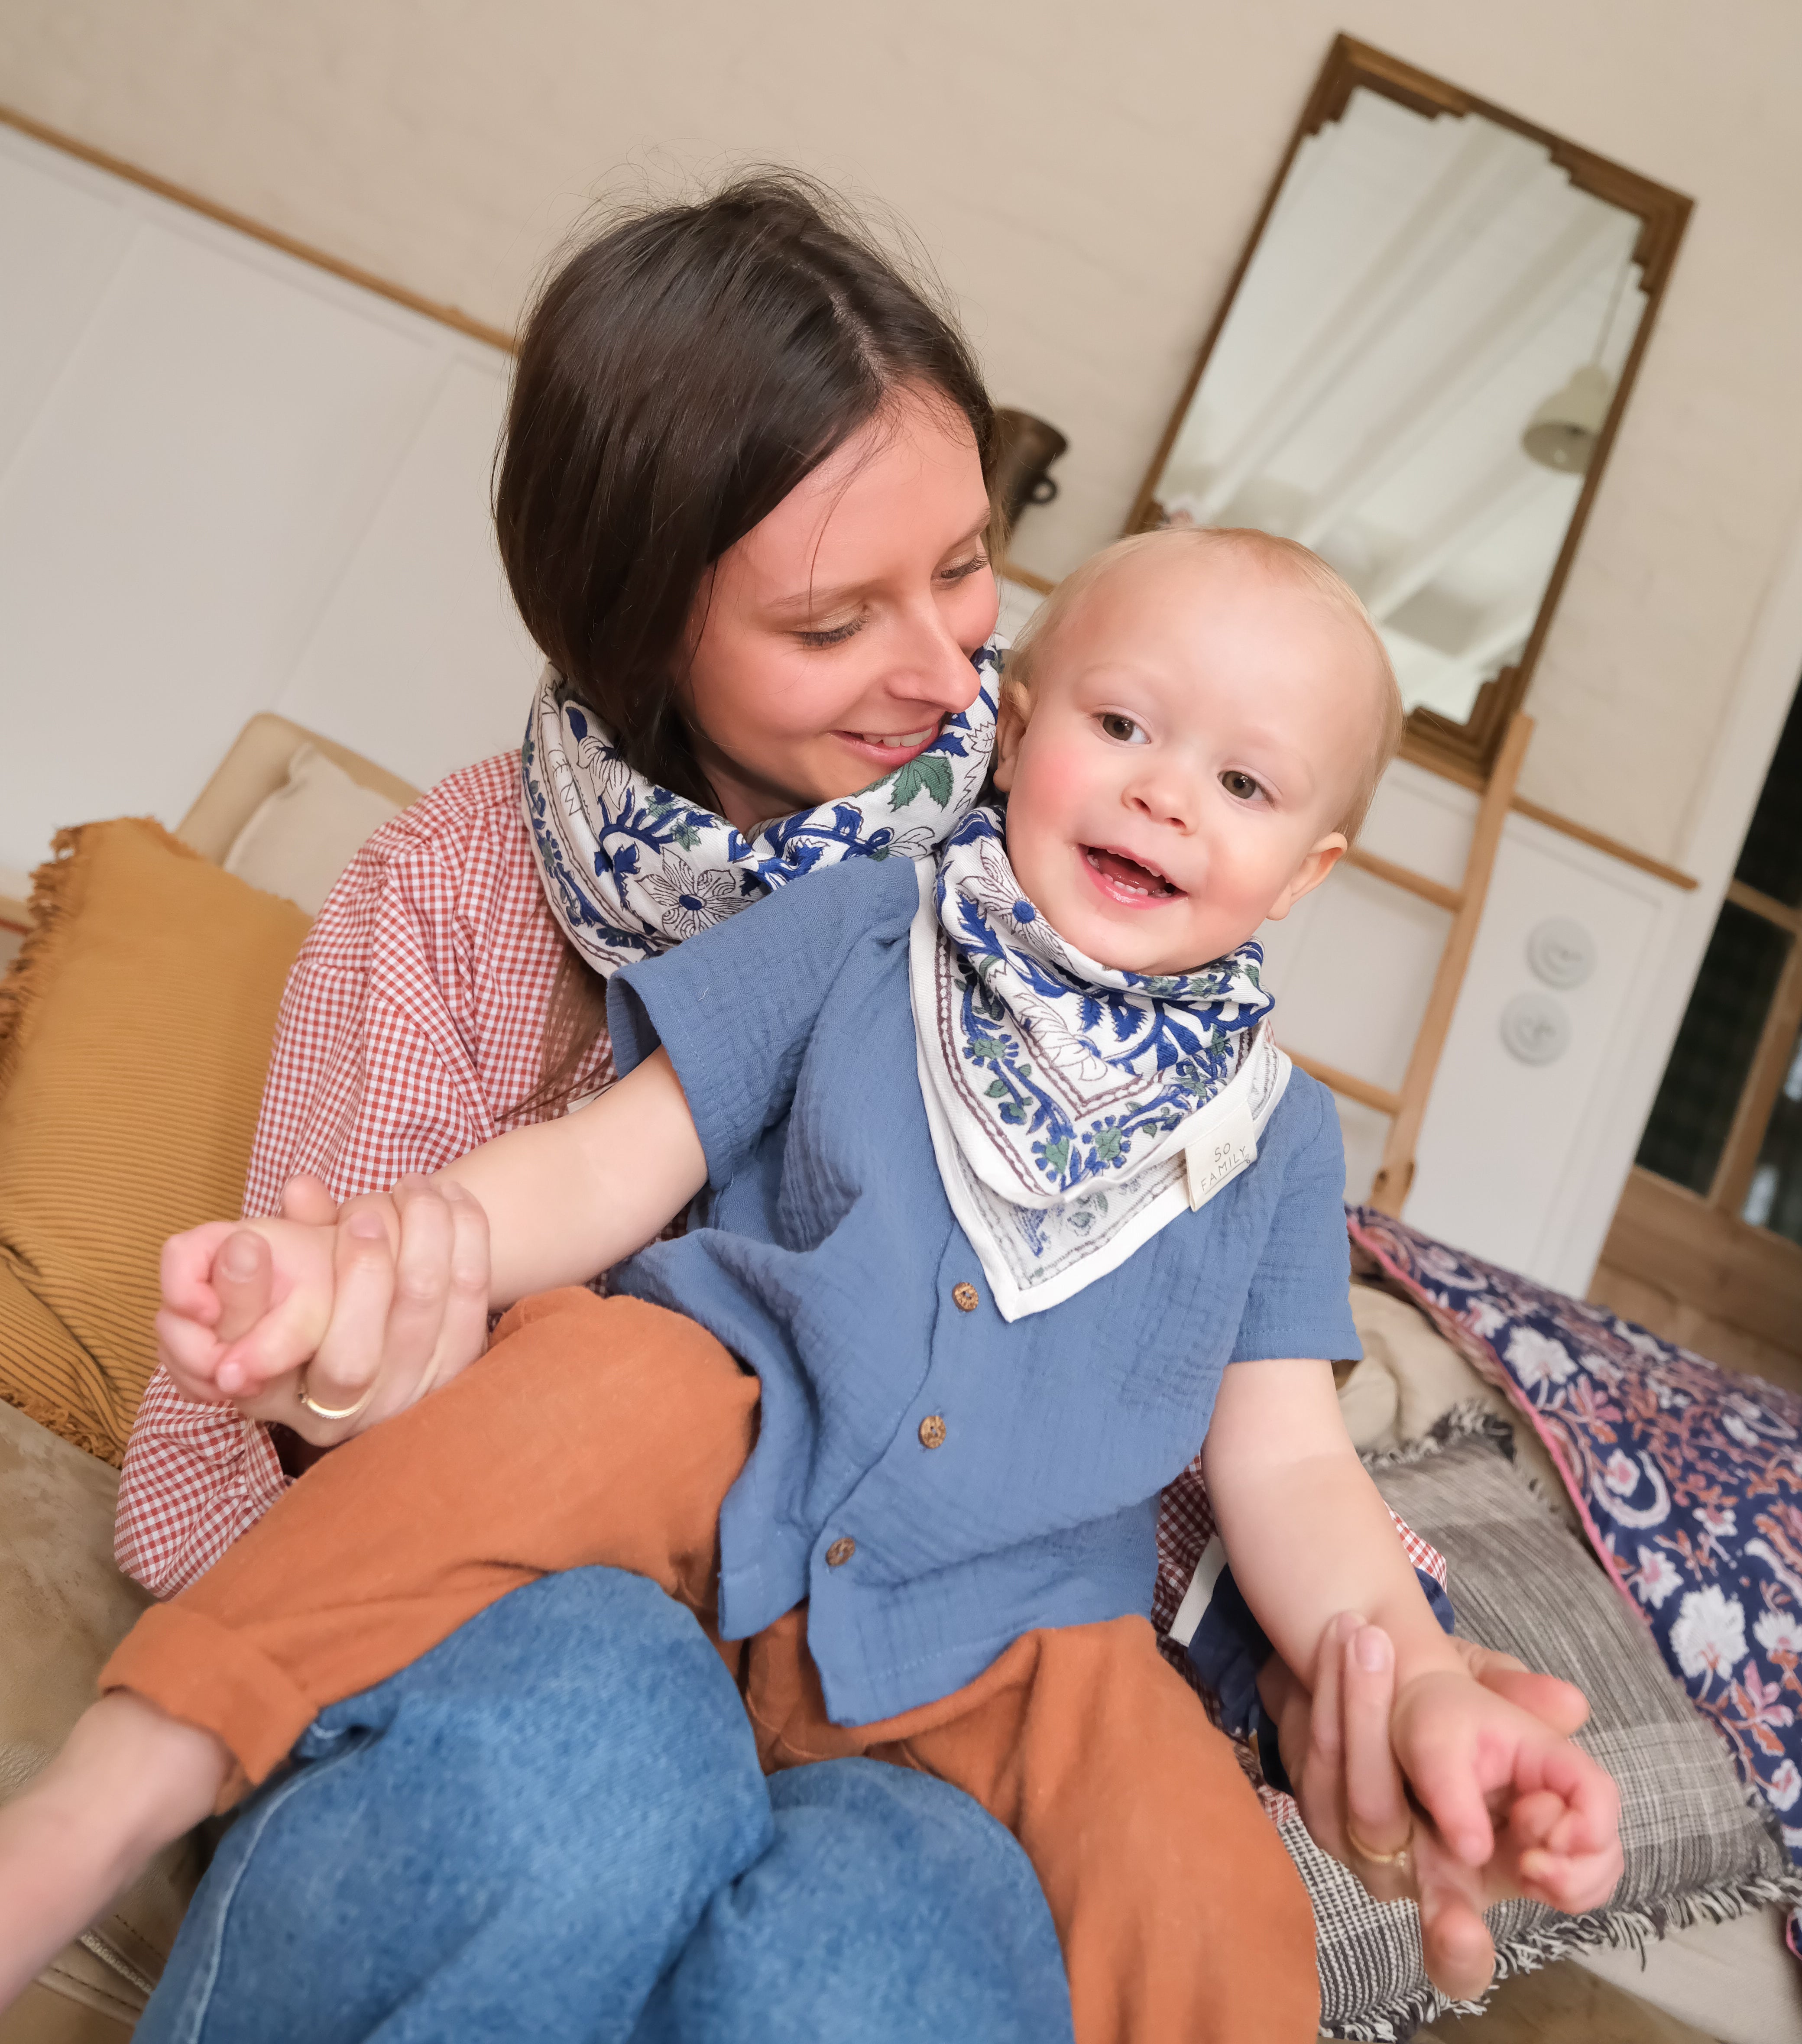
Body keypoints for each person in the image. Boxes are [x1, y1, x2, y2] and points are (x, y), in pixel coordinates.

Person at [6, 530, 1625, 2044]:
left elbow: (1290, 1463)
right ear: (1017, 728)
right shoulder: (871, 923)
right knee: (579, 1391)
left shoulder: (1276, 1139)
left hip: (1023, 1635)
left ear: (1307, 873)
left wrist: (1411, 1680)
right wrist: (370, 1253)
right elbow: (608, 1165)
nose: (1167, 796)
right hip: (720, 1447)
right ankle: (122, 1786)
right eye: (1124, 724)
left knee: (1209, 1874)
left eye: (1246, 781)